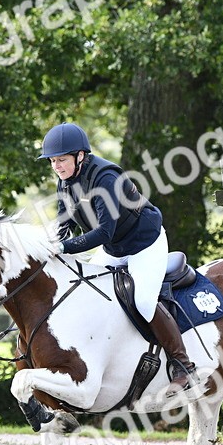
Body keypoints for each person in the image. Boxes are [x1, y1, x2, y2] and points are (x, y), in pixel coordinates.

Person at [40, 122, 196, 391]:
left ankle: (183, 365)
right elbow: (64, 225)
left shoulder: (106, 178)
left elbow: (105, 232)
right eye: (53, 161)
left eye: (61, 160)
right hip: (114, 249)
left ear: (80, 156)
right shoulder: (65, 182)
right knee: (84, 291)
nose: (56, 166)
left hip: (144, 244)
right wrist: (52, 246)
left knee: (144, 302)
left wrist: (65, 248)